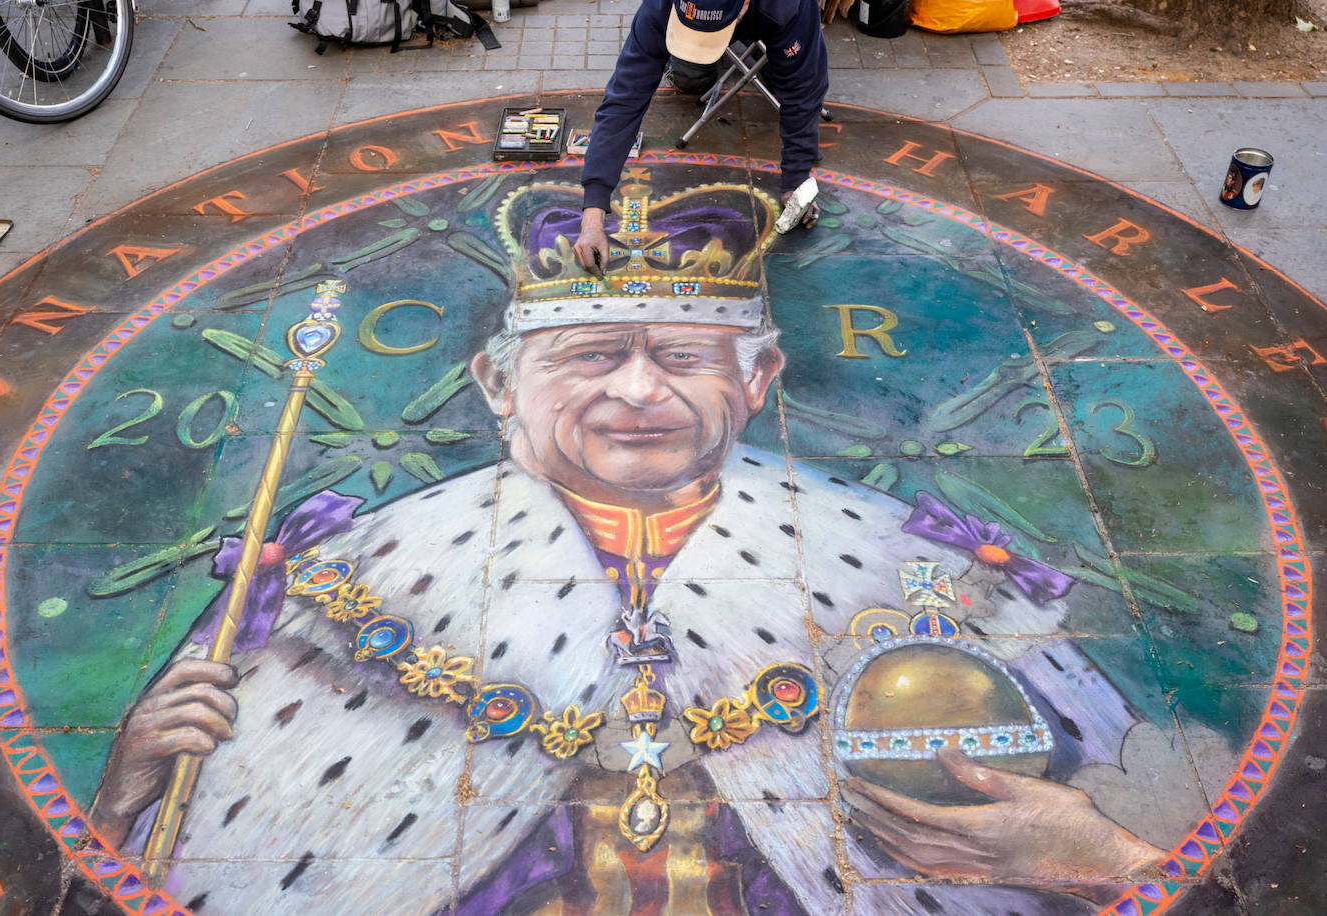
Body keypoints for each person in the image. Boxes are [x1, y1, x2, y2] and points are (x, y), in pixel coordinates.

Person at [89, 180, 1194, 915]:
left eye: (682, 354)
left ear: (757, 383)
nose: (636, 391)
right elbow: (186, 860)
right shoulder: (345, 579)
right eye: (588, 354)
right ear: (497, 387)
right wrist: (128, 791)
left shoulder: (919, 569)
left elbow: (1100, 819)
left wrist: (1103, 858)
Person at [573, 0, 828, 275]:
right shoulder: (659, 9)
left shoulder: (786, 7)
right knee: (691, 75)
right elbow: (624, 102)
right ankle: (698, 61)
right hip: (725, 18)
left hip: (770, 15)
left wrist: (797, 181)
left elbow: (805, 89)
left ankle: (763, 55)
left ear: (743, 7)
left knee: (787, 70)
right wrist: (592, 215)